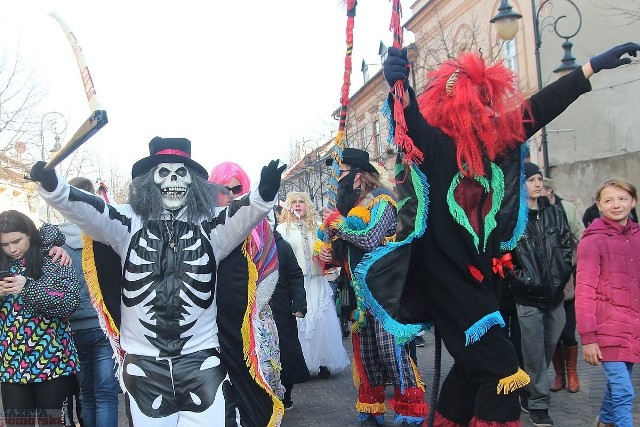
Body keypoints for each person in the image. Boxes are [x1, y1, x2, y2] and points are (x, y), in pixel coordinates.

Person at [381, 41, 640, 426]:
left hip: (484, 282)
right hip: (447, 281)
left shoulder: (494, 147)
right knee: (502, 372)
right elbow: (409, 121)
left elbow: (540, 108)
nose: (483, 110)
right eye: (475, 102)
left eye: (486, 102)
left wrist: (590, 67)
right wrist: (398, 84)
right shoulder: (436, 148)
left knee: (472, 373)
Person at [29, 136, 286, 426]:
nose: (172, 180)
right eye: (163, 172)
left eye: (181, 173)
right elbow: (87, 209)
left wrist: (264, 194)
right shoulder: (127, 222)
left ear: (195, 183)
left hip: (201, 363)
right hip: (144, 368)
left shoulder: (211, 225)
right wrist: (53, 185)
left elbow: (243, 215)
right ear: (149, 181)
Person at [320, 148, 428, 427]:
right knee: (366, 355)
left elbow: (369, 239)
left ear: (358, 176)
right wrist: (329, 254)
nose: (338, 180)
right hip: (358, 294)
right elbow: (345, 250)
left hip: (384, 292)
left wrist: (337, 223)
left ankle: (410, 411)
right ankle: (371, 410)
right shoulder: (350, 207)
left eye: (341, 173)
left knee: (391, 351)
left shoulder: (383, 199)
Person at [208, 161, 285, 424]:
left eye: (237, 188)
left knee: (258, 379)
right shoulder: (207, 225)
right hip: (214, 323)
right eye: (224, 188)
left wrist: (251, 310)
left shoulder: (258, 223)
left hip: (252, 319)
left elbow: (269, 269)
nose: (231, 193)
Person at [507, 163, 573, 426]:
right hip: (528, 297)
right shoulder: (512, 218)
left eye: (538, 179)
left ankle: (530, 385)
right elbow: (506, 257)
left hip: (555, 295)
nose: (537, 184)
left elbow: (566, 245)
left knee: (548, 346)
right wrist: (522, 280)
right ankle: (538, 403)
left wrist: (563, 273)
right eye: (530, 179)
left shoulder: (555, 213)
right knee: (533, 351)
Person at [0, 210, 80, 427]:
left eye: (17, 241)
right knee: (18, 423)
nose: (12, 249)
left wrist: (28, 289)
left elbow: (70, 302)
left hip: (51, 359)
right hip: (12, 363)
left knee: (51, 423)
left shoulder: (53, 258)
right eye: (5, 245)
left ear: (29, 234)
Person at [576, 177, 640, 427]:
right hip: (607, 329)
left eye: (623, 198)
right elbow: (584, 291)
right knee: (624, 392)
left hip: (633, 328)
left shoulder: (637, 236)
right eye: (609, 200)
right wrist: (588, 338)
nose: (617, 204)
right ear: (599, 205)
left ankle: (604, 420)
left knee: (618, 387)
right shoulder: (592, 241)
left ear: (633, 201)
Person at [59, 177, 120, 427]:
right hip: (102, 324)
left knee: (87, 395)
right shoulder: (102, 233)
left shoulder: (57, 239)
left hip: (72, 326)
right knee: (106, 395)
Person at [277, 191, 350, 380]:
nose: (298, 205)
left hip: (318, 281)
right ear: (288, 206)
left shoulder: (318, 227)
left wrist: (329, 255)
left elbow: (332, 251)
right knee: (301, 325)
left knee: (322, 323)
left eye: (302, 201)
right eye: (294, 202)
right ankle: (302, 364)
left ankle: (323, 362)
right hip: (297, 284)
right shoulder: (282, 230)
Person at [542, 177, 584, 394]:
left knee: (568, 333)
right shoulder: (531, 214)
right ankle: (559, 374)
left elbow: (579, 238)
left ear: (549, 191)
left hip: (568, 283)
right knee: (553, 335)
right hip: (545, 287)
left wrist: (570, 264)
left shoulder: (564, 209)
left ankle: (572, 372)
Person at [269, 214, 310, 411]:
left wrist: (299, 304)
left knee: (285, 351)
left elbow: (295, 275)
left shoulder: (282, 246)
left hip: (280, 308)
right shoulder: (247, 247)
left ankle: (286, 394)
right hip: (254, 311)